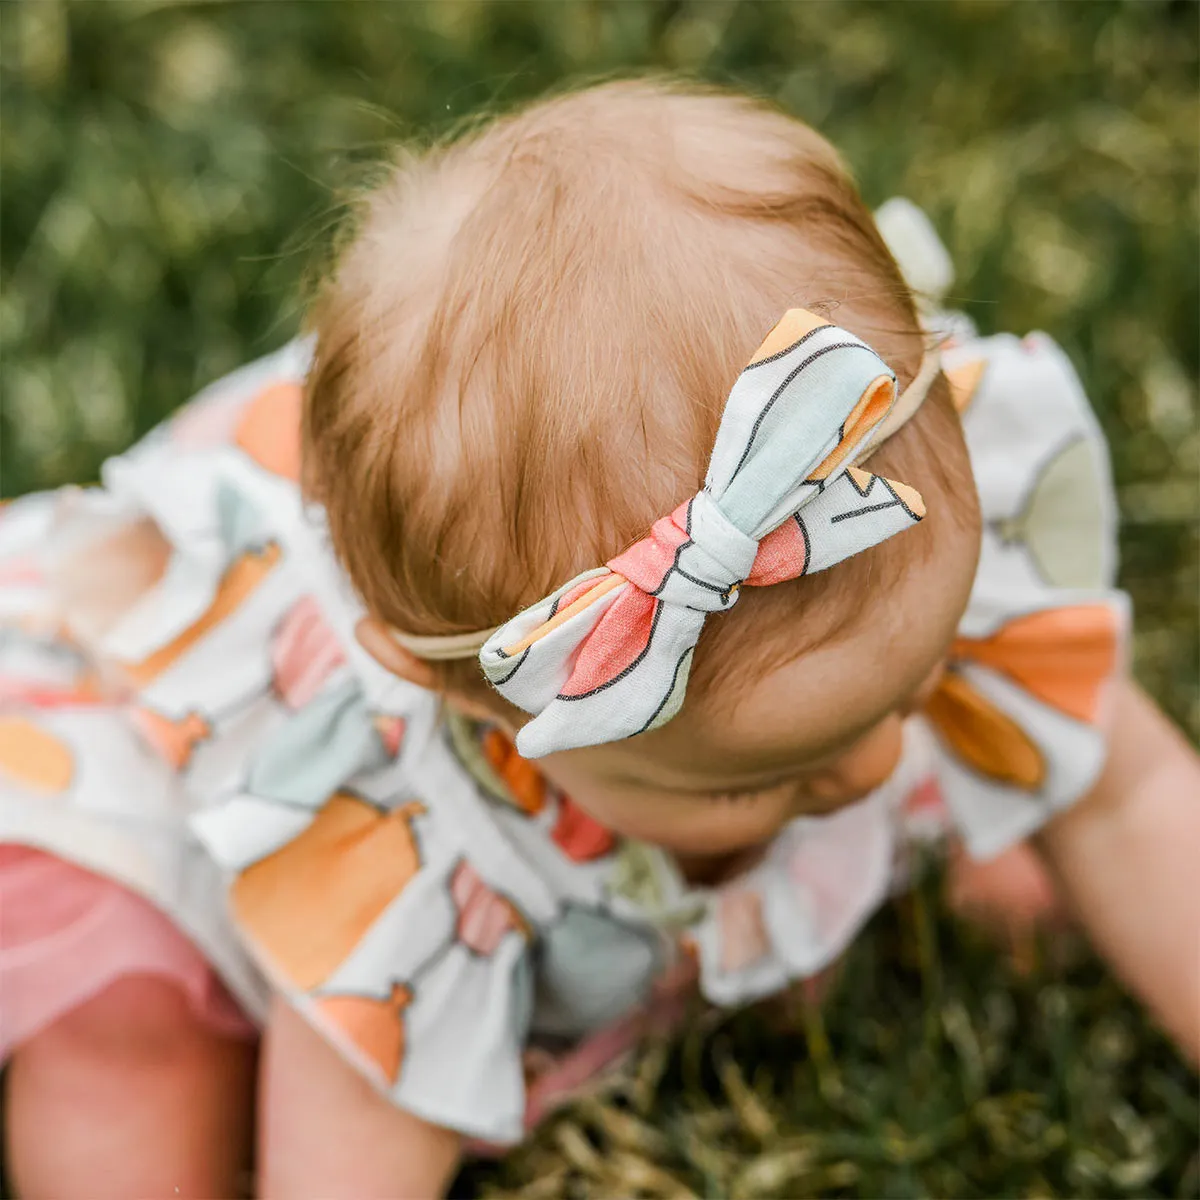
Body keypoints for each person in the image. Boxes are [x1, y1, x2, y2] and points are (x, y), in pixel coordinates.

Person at [2, 80, 1196, 1200]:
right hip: (143, 775)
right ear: (487, 712)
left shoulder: (875, 497)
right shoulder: (409, 838)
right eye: (766, 773)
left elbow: (1134, 798)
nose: (880, 766)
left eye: (912, 685)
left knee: (1014, 840)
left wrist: (821, 750)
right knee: (131, 1058)